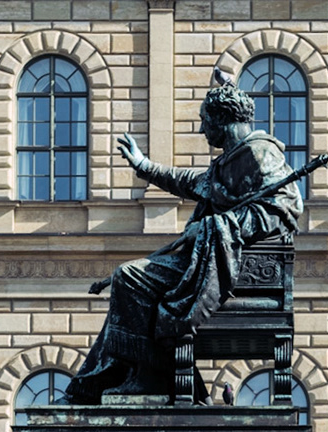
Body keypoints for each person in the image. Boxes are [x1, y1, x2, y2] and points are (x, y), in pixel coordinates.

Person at [64, 71, 304, 402]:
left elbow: (286, 209)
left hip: (233, 266)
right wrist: (144, 166)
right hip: (210, 256)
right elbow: (193, 182)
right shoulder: (230, 162)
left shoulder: (260, 153)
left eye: (206, 121)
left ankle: (145, 377)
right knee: (130, 277)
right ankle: (127, 374)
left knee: (130, 277)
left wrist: (218, 226)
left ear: (222, 119)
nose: (203, 129)